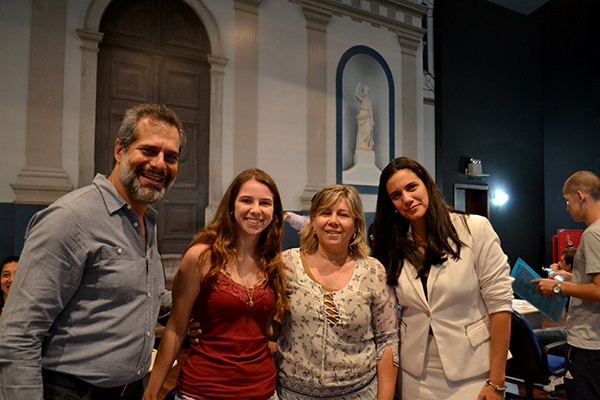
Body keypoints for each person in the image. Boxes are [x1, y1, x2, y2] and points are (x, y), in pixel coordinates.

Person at [0, 103, 185, 400]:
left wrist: (201, 304)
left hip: (128, 392)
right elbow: (19, 334)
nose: (160, 164)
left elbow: (142, 295)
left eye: (171, 156)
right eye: (149, 150)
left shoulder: (145, 219)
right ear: (120, 150)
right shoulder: (70, 218)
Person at [371, 157, 513, 400]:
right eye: (396, 195)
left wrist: (497, 381)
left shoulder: (474, 229)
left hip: (472, 369)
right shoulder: (393, 244)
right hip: (414, 373)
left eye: (411, 187)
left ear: (427, 185)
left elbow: (500, 306)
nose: (406, 199)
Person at [144, 168, 288, 400]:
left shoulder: (273, 263)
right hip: (203, 389)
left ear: (274, 212)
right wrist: (150, 394)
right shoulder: (201, 257)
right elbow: (176, 328)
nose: (256, 210)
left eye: (265, 203)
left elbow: (266, 328)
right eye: (246, 201)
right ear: (231, 207)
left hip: (262, 391)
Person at [275, 184, 399, 399]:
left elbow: (387, 340)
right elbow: (262, 319)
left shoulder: (373, 271)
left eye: (343, 214)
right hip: (293, 394)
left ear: (356, 226)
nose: (333, 221)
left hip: (358, 394)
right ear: (313, 222)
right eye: (325, 213)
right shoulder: (286, 264)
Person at [532, 170, 600, 399]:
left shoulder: (592, 235)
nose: (567, 207)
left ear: (581, 196)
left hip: (588, 345)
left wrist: (558, 287)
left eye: (568, 201)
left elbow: (599, 290)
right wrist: (567, 277)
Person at [533, 246, 575, 393]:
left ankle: (548, 374)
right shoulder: (572, 280)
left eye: (561, 261)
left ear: (569, 266)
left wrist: (554, 273)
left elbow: (558, 279)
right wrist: (555, 270)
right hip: (570, 329)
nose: (558, 263)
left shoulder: (572, 285)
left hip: (573, 332)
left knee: (534, 336)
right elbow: (555, 273)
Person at [355, 82, 375, 151]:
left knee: (367, 131)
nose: (365, 91)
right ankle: (361, 145)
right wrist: (358, 87)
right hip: (362, 114)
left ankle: (366, 145)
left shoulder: (369, 101)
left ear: (368, 91)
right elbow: (356, 95)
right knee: (361, 131)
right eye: (364, 90)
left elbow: (371, 111)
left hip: (367, 116)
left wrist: (372, 120)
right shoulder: (362, 98)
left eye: (366, 90)